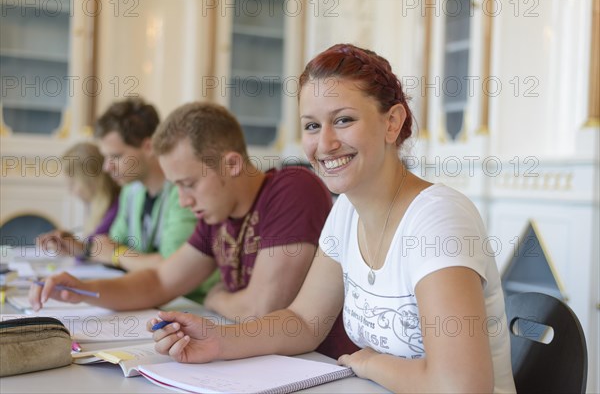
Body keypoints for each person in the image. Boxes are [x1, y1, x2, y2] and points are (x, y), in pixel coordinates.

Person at [147, 44, 516, 393]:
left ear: (392, 123)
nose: (324, 144)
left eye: (343, 120)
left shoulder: (438, 219)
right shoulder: (347, 211)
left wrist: (372, 364)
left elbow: (460, 386)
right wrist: (217, 339)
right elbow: (305, 321)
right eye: (311, 126)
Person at [29, 102, 333, 325]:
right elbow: (159, 282)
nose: (184, 201)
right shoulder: (216, 216)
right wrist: (83, 290)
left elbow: (261, 310)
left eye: (189, 185)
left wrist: (217, 298)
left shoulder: (292, 188)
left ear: (231, 164)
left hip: (322, 367)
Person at [38, 99, 201, 277]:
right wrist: (81, 249)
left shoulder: (183, 193)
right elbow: (109, 245)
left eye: (115, 156)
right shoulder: (131, 193)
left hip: (188, 302)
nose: (107, 167)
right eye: (105, 157)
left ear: (148, 147)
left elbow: (172, 267)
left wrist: (117, 255)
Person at [38, 142, 120, 258]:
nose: (71, 192)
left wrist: (77, 246)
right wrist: (70, 242)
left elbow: (93, 250)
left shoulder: (116, 206)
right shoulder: (100, 207)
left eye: (72, 184)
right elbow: (89, 249)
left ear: (90, 180)